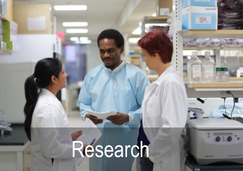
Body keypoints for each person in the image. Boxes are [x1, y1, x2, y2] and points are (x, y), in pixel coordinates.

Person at [76, 29, 150, 171]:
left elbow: (148, 108)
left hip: (124, 145)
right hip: (97, 144)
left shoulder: (137, 76)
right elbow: (84, 103)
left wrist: (129, 117)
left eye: (110, 50)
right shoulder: (92, 76)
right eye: (102, 51)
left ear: (121, 49)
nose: (106, 55)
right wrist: (87, 115)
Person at [132, 28, 188, 171]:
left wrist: (151, 153)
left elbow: (172, 127)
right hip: (150, 154)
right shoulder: (161, 81)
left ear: (155, 55)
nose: (143, 59)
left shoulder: (171, 83)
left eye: (144, 55)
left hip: (159, 157)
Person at [24, 58, 91, 171]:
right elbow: (51, 149)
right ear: (54, 79)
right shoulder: (49, 107)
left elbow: (47, 141)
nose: (66, 75)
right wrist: (80, 149)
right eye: (63, 72)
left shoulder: (47, 101)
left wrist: (67, 139)